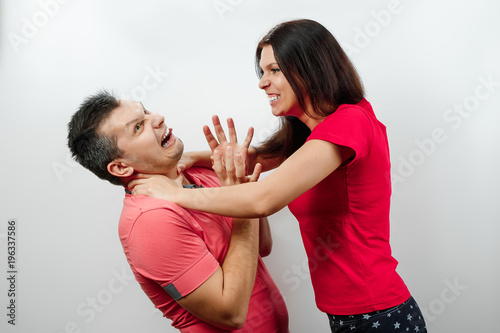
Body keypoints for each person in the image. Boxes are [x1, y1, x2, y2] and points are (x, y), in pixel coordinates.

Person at [128, 19, 428, 333]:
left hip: (378, 313)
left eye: (274, 70)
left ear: (311, 69)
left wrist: (172, 193)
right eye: (263, 72)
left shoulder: (350, 123)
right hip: (350, 314)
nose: (262, 83)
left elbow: (263, 199)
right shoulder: (314, 135)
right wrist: (185, 158)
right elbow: (256, 157)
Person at [66, 91, 289, 333]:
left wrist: (242, 188)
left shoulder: (197, 175)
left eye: (146, 111)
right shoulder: (149, 222)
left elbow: (263, 246)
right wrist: (245, 201)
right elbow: (230, 314)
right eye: (139, 127)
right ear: (120, 167)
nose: (158, 118)